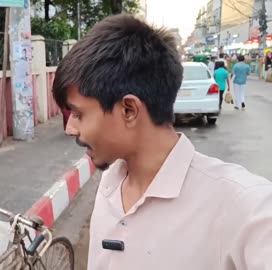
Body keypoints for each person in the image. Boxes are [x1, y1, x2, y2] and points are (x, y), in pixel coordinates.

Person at [52, 14, 272, 270]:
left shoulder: (246, 209)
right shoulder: (112, 180)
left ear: (129, 110)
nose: (70, 128)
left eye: (78, 114)